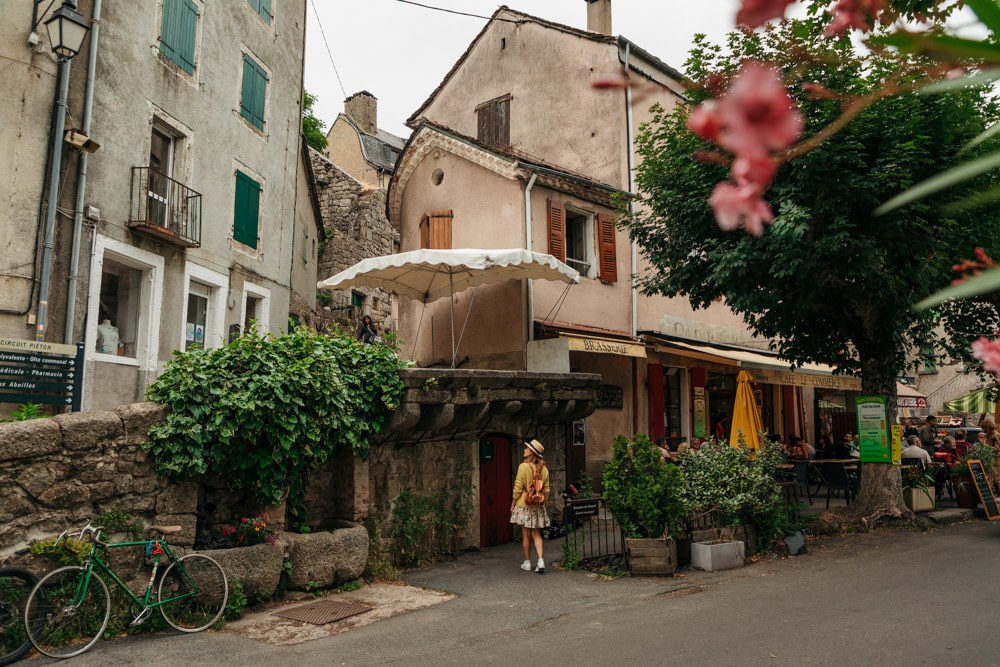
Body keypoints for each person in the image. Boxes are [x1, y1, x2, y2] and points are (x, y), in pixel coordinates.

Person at [510, 439, 550, 574]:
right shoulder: (544, 469)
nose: (524, 450)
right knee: (536, 533)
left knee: (526, 534)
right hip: (537, 506)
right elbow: (547, 490)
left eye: (527, 449)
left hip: (524, 505)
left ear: (532, 453)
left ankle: (527, 562)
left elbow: (518, 487)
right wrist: (541, 502)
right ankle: (541, 561)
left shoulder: (523, 467)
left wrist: (513, 502)